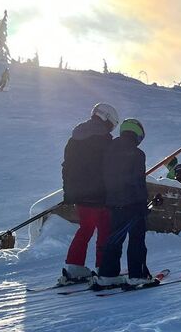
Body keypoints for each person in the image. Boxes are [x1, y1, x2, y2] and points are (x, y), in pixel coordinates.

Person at [93, 118, 158, 289]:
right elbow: (137, 181)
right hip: (133, 204)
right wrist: (143, 204)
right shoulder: (137, 154)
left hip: (113, 203)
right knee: (137, 239)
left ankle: (108, 274)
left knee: (114, 239)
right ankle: (138, 275)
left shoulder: (108, 151)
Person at [59, 103, 119, 285]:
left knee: (85, 229)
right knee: (105, 231)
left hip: (80, 196)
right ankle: (104, 268)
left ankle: (74, 267)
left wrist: (69, 193)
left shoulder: (74, 139)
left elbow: (66, 168)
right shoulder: (105, 141)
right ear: (107, 119)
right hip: (101, 195)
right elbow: (111, 169)